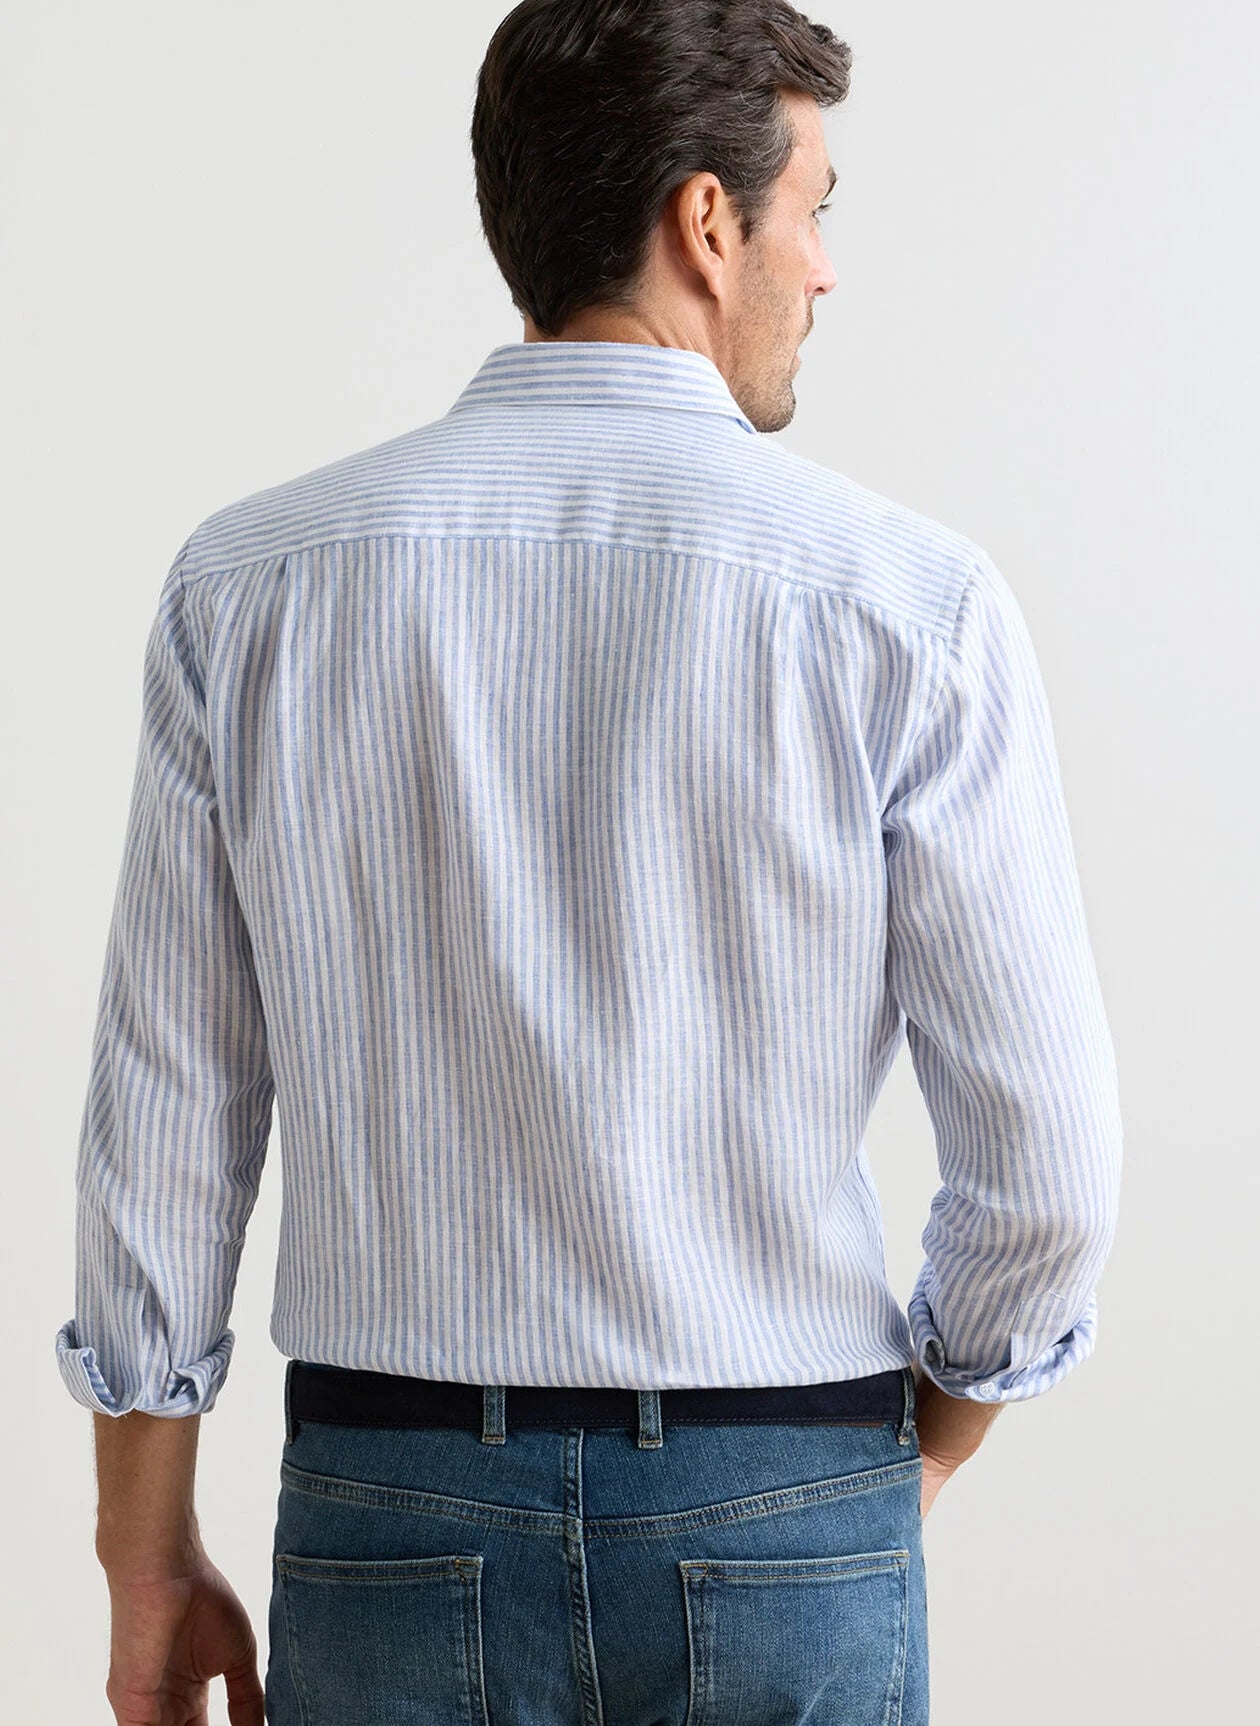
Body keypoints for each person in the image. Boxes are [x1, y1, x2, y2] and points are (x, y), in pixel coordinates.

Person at [56, 3, 1123, 1723]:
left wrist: (145, 1560)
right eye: (816, 210)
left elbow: (165, 1127)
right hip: (786, 1494)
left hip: (385, 1508)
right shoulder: (907, 607)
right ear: (710, 224)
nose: (827, 271)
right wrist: (881, 1473)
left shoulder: (248, 589)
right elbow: (1051, 1175)